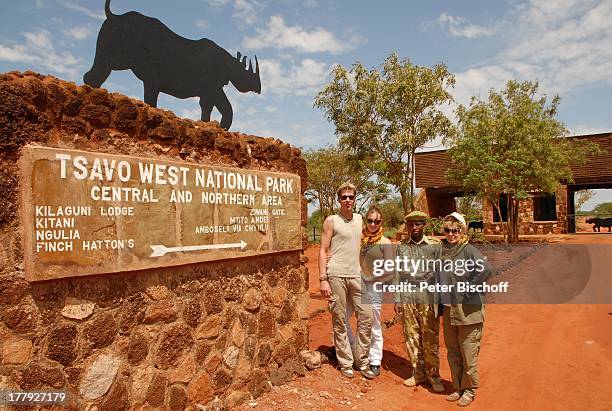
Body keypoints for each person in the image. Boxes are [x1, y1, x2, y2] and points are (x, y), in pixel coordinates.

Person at [437, 212, 493, 407]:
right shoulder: (443, 250)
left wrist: (469, 288)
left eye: (455, 230)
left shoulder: (468, 250)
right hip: (449, 311)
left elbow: (485, 270)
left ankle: (469, 390)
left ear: (462, 231)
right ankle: (457, 387)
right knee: (453, 352)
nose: (451, 233)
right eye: (447, 230)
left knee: (468, 353)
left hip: (469, 314)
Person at [319, 182, 373, 378]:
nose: (348, 200)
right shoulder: (331, 221)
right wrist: (323, 278)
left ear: (355, 199)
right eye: (344, 197)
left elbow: (370, 240)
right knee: (340, 318)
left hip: (357, 274)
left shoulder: (360, 219)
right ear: (338, 200)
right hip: (336, 275)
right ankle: (346, 362)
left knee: (367, 316)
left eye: (351, 197)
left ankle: (362, 359)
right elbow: (323, 250)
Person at [394, 210, 445, 393]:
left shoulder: (435, 245)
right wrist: (398, 297)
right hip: (408, 293)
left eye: (418, 224)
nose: (414, 227)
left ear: (424, 225)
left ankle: (434, 376)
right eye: (411, 224)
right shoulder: (402, 246)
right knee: (411, 335)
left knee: (430, 336)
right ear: (407, 226)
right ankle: (418, 373)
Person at [346, 205, 393, 378]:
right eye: (370, 220)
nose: (373, 224)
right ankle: (353, 350)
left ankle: (374, 361)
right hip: (355, 284)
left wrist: (372, 279)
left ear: (381, 222)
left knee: (373, 324)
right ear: (366, 220)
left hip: (373, 286)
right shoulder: (359, 238)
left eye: (376, 221)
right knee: (343, 317)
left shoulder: (385, 243)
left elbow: (389, 271)